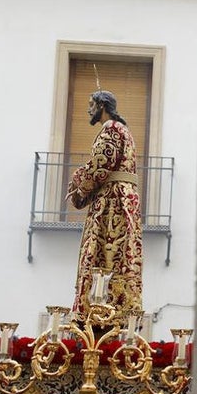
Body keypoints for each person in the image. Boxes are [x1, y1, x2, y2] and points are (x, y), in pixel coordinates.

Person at [67, 90, 144, 319]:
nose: (88, 109)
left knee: (104, 256)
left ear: (102, 105)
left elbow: (100, 166)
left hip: (112, 204)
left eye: (91, 104)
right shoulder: (124, 130)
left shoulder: (110, 128)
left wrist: (78, 187)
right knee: (122, 258)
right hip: (123, 200)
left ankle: (98, 311)